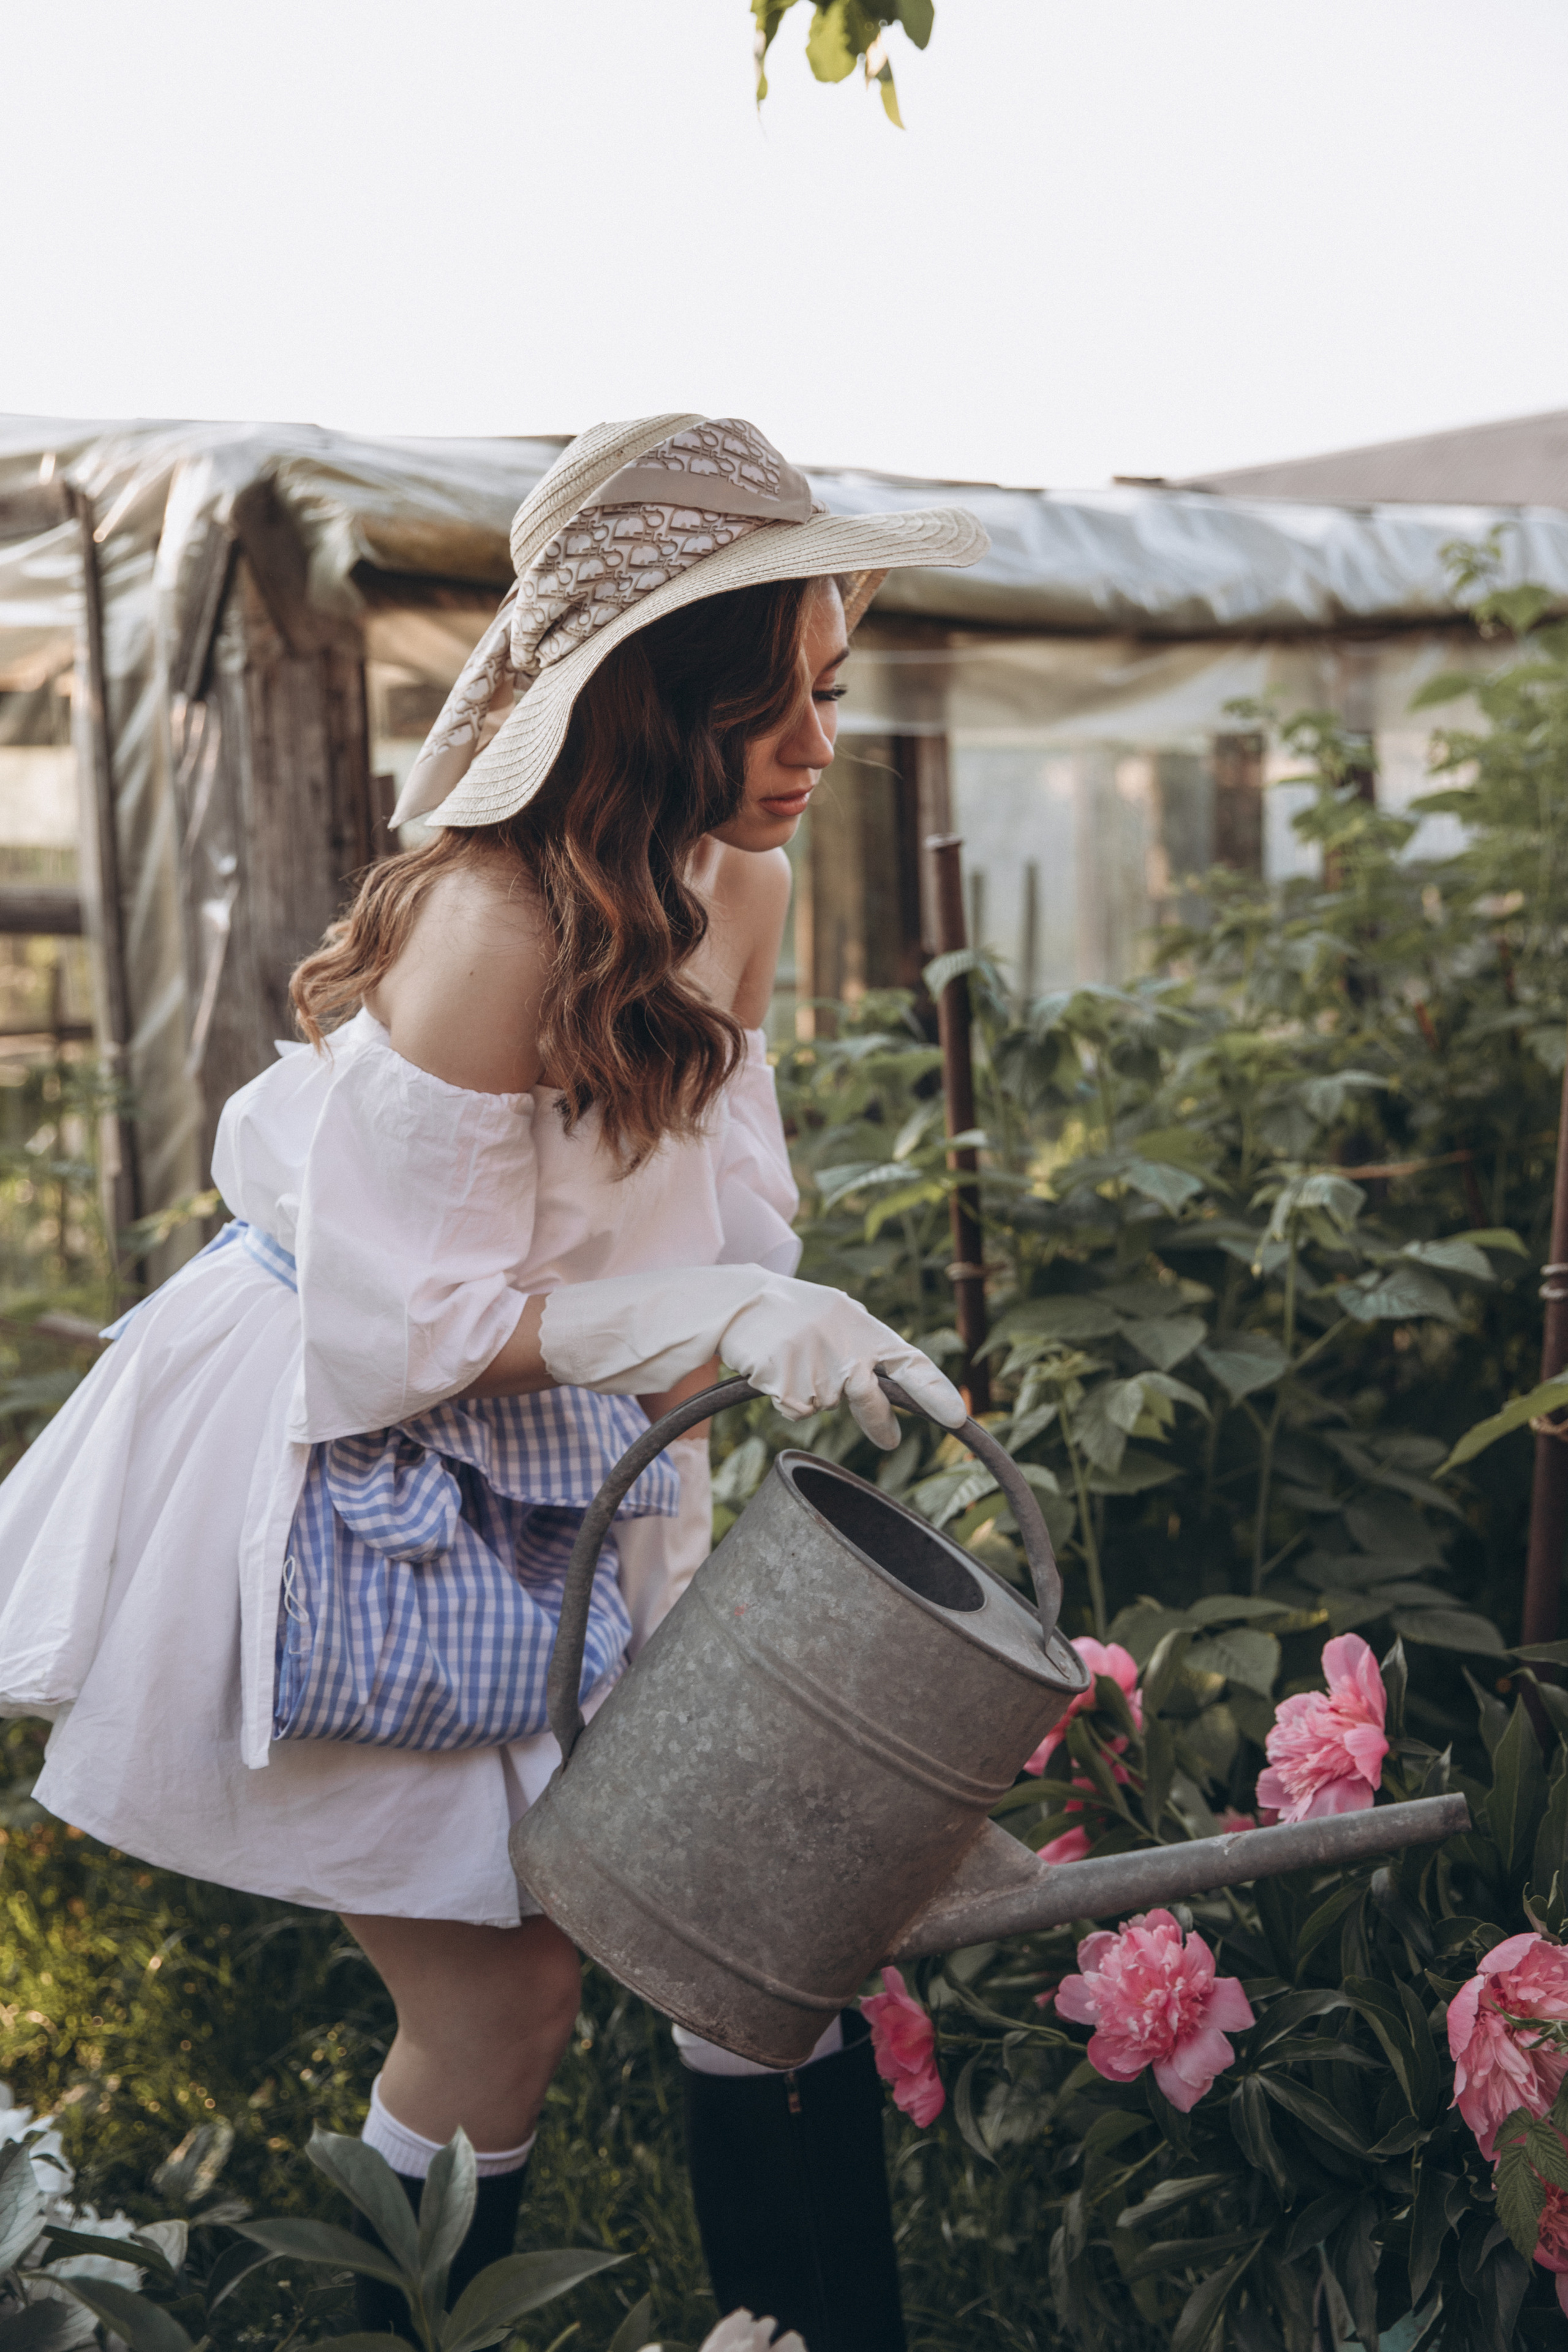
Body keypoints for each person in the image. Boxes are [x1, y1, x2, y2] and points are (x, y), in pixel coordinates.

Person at [0, 416, 987, 2348]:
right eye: (770, 709)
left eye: (831, 698)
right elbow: (405, 1330)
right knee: (500, 2000)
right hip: (346, 1450)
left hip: (561, 1444)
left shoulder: (735, 892)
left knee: (754, 1925)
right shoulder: (495, 927)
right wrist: (691, 1326)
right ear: (650, 707)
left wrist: (732, 1367)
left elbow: (658, 1234)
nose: (815, 753)